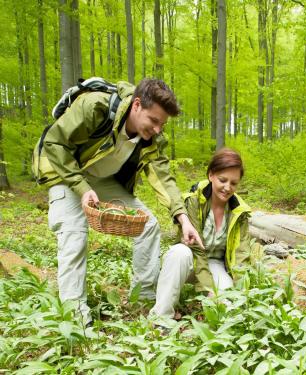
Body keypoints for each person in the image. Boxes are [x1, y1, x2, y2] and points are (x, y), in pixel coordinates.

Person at [32, 78, 203, 325]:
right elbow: (55, 143)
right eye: (153, 120)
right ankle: (75, 315)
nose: (157, 129)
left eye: (162, 124)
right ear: (136, 105)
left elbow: (165, 180)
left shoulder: (153, 139)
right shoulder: (95, 107)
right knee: (74, 233)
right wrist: (81, 188)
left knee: (148, 225)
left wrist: (183, 219)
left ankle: (143, 297)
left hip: (102, 180)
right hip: (66, 172)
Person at [150, 148, 256, 321]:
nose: (228, 188)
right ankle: (161, 318)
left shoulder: (239, 211)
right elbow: (197, 250)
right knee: (179, 253)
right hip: (189, 260)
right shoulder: (193, 200)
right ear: (211, 175)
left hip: (215, 265)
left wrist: (242, 290)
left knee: (230, 306)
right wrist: (208, 290)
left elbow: (241, 255)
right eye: (223, 180)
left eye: (234, 183)